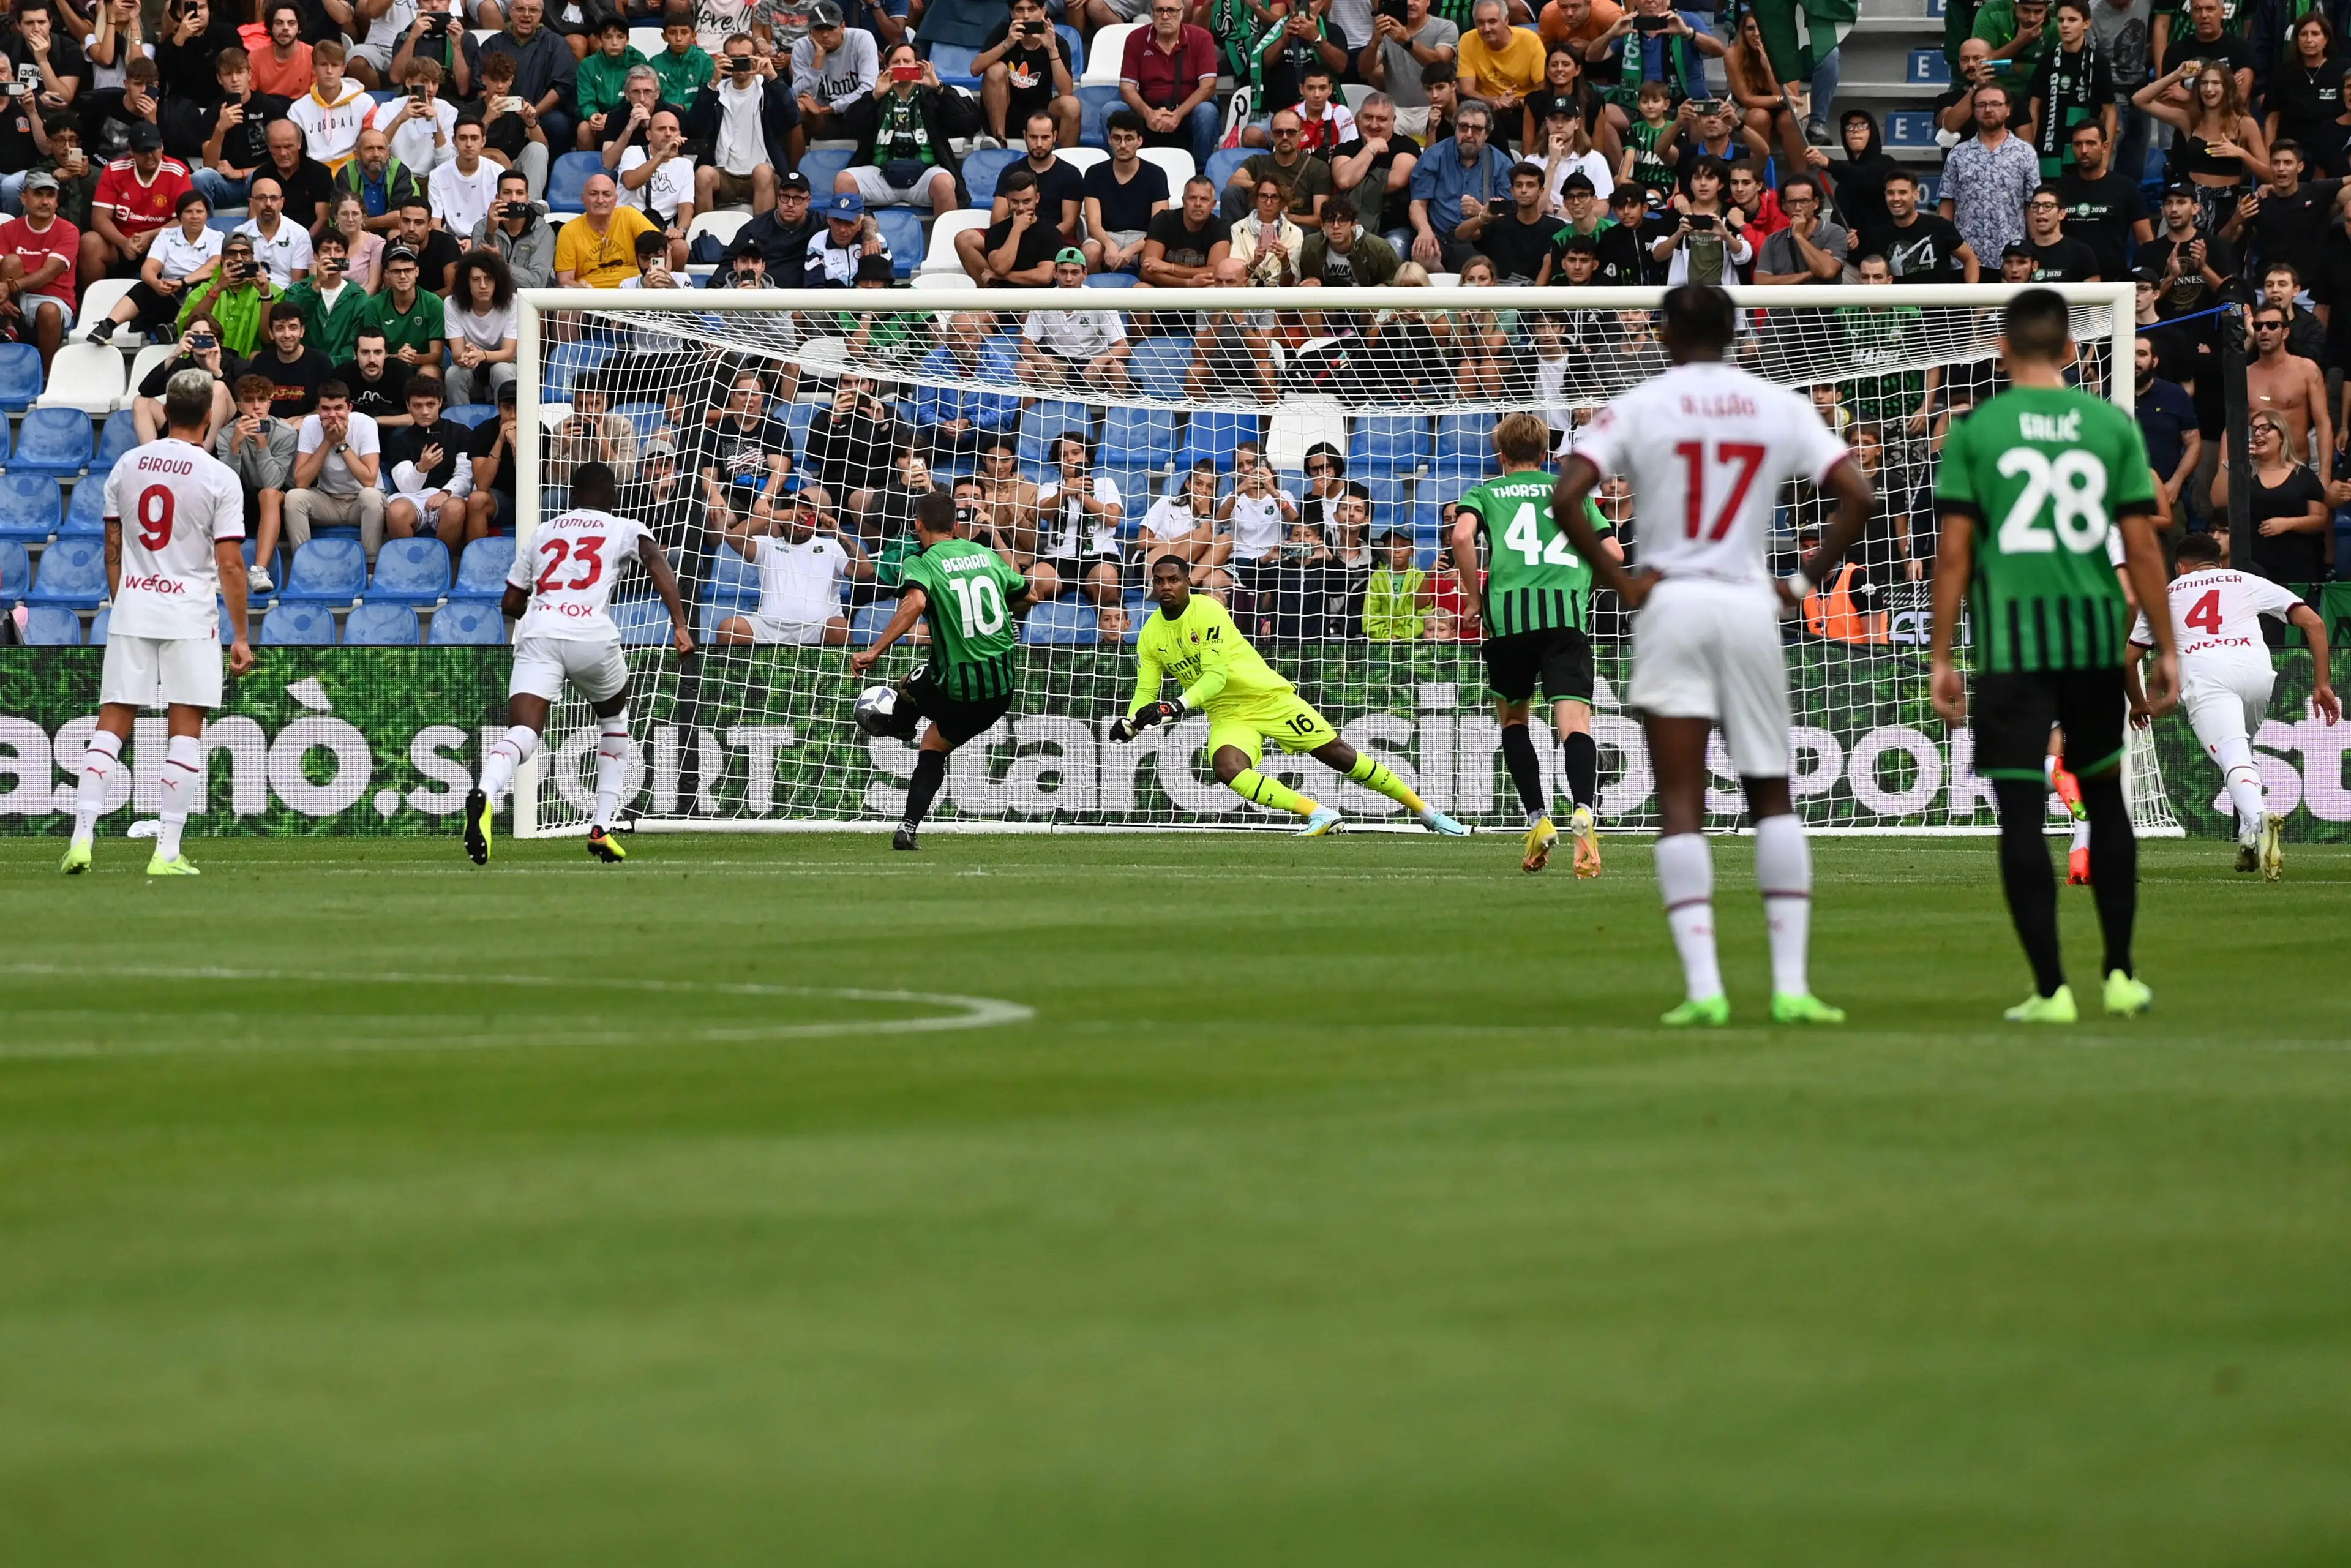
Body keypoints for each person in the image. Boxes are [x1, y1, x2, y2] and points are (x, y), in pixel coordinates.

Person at [1554, 282, 1874, 1027]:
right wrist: (1798, 582)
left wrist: (1623, 582)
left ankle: (1705, 989)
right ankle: (1792, 985)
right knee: (1772, 797)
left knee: (1681, 804)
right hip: (1747, 601)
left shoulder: (1641, 403)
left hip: (1671, 604)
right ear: (1735, 335)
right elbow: (1858, 493)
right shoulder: (1778, 403)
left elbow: (1568, 495)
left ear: (1665, 336)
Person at [1927, 287, 2175, 1024]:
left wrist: (1942, 654)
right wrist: (2164, 644)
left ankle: (2051, 990)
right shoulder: (2110, 426)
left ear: (2001, 348)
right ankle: (2123, 975)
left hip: (2014, 645)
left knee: (2021, 818)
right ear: (2072, 349)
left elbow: (1954, 554)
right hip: (2097, 640)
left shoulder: (1977, 430)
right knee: (2105, 799)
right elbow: (2140, 545)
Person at [1110, 553, 1470, 836]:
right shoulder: (1150, 635)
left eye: (1174, 579)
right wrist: (1131, 722)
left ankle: (1428, 813)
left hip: (1269, 699)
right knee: (1228, 769)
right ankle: (1320, 814)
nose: (1167, 587)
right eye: (1160, 582)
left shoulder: (1208, 610)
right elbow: (1145, 690)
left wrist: (1176, 705)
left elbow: (1216, 676)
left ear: (1189, 582)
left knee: (1340, 756)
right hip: (1228, 715)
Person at [59, 370, 254, 878]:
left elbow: (112, 548)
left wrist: (124, 600)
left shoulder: (128, 464)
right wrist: (241, 633)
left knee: (111, 723)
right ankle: (167, 850)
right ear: (209, 417)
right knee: (185, 730)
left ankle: (82, 838)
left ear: (166, 411)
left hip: (134, 604)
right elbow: (231, 563)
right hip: (190, 610)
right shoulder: (218, 476)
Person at [466, 462, 693, 865]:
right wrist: (679, 624)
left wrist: (548, 615)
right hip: (591, 636)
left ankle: (485, 790)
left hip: (539, 634)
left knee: (523, 731)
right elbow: (656, 562)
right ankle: (601, 828)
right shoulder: (625, 527)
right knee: (614, 721)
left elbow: (511, 603)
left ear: (572, 496)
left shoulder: (543, 532)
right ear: (614, 498)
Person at [1447, 411, 1624, 874]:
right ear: (1546, 453)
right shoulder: (1571, 491)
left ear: (1500, 454)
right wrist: (1580, 581)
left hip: (1509, 621)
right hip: (1564, 619)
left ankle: (1538, 818)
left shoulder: (1484, 492)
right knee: (1575, 724)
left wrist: (1473, 597)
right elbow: (1614, 553)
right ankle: (1584, 809)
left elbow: (1462, 536)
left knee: (1515, 721)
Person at [2127, 528, 2338, 877]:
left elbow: (2129, 659)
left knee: (2233, 757)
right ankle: (2247, 840)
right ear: (2218, 559)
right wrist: (2322, 684)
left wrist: (2138, 704)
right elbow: (2314, 623)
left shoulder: (2163, 596)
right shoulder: (2245, 580)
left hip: (2208, 676)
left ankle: (2259, 820)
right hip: (2256, 672)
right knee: (2242, 754)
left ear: (2181, 566)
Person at [847, 490, 1035, 851]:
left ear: (918, 525)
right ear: (957, 527)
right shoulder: (985, 555)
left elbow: (916, 601)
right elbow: (1031, 597)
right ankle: (907, 826)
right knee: (933, 744)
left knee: (909, 683)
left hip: (958, 686)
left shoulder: (923, 561)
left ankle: (899, 727)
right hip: (1000, 690)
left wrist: (875, 650)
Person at [713, 485, 871, 646]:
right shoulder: (768, 545)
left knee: (840, 628)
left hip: (817, 628)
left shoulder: (831, 546)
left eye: (805, 516)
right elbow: (733, 538)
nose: (798, 521)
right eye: (793, 516)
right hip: (769, 627)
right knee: (729, 629)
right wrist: (772, 515)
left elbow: (865, 571)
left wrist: (837, 532)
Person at [838, 40, 964, 214]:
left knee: (944, 182)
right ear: (886, 69)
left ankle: (945, 241)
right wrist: (874, 97)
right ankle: (853, 240)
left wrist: (940, 88)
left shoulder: (933, 96)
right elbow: (849, 127)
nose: (902, 66)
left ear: (919, 67)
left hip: (925, 176)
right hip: (881, 174)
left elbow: (968, 124)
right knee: (844, 180)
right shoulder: (876, 97)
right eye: (896, 62)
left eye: (907, 61)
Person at [2213, 408, 2331, 587]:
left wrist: (2287, 524)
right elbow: (2219, 503)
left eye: (2265, 428)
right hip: (2253, 564)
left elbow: (2321, 519)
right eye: (2254, 430)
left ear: (2282, 435)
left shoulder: (2304, 475)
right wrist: (2233, 462)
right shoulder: (2244, 475)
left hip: (2296, 564)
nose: (2258, 434)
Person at [285, 377, 388, 563]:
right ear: (318, 410)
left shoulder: (366, 424)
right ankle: (304, 564)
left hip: (361, 502)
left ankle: (372, 565)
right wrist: (327, 441)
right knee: (294, 497)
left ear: (349, 408)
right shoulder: (310, 424)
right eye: (326, 409)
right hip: (328, 501)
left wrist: (341, 443)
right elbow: (301, 481)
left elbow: (369, 480)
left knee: (371, 495)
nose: (333, 415)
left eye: (339, 408)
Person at [80, 123, 192, 291]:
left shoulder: (177, 171)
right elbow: (99, 218)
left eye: (153, 149)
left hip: (162, 243)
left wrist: (151, 236)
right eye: (142, 151)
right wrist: (124, 243)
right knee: (90, 243)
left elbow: (185, 218)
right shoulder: (115, 169)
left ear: (162, 146)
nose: (149, 156)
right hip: (121, 243)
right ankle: (90, 304)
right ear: (131, 151)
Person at [212, 371, 298, 589]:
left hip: (277, 502)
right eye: (250, 401)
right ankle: (216, 570)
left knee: (268, 494)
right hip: (242, 500)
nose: (256, 407)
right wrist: (234, 447)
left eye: (262, 400)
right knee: (212, 496)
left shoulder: (286, 433)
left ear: (270, 403)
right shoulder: (225, 435)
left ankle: (259, 570)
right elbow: (226, 485)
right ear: (240, 406)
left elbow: (273, 483)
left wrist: (262, 445)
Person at [1408, 97, 1515, 269]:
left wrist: (1481, 211)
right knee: (1423, 256)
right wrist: (1424, 230)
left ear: (1487, 134)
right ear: (1455, 129)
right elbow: (1418, 203)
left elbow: (1509, 214)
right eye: (1463, 127)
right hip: (1439, 238)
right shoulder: (1434, 156)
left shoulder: (1502, 164)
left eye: (1477, 129)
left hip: (1481, 242)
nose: (1469, 135)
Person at [693, 31, 790, 217]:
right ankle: (705, 238)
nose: (739, 64)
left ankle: (762, 242)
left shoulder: (768, 89)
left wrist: (773, 77)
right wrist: (713, 82)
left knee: (763, 172)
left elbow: (791, 119)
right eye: (733, 59)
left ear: (756, 57)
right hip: (725, 174)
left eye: (744, 58)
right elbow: (695, 128)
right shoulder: (716, 91)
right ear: (724, 60)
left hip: (762, 175)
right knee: (703, 174)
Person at [1120, 0, 1222, 169]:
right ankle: (1121, 170)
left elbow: (1208, 86)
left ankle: (1200, 174)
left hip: (1188, 112)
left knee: (1207, 112)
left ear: (1182, 13)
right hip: (1149, 111)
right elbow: (1126, 88)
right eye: (1160, 10)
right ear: (1152, 14)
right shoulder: (1135, 39)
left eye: (1172, 11)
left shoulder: (1201, 38)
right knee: (1112, 110)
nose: (1165, 16)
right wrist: (1148, 114)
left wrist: (1177, 115)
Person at [1021, 249, 1133, 392]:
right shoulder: (1043, 299)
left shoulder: (1101, 300)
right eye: (1063, 272)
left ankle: (1117, 414)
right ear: (1055, 273)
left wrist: (1102, 360)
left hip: (1093, 362)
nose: (1068, 279)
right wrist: (1037, 357)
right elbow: (1026, 345)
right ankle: (1028, 414)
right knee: (1024, 367)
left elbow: (1123, 347)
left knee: (1118, 369)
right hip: (1057, 363)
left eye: (1075, 273)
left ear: (1084, 274)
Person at [2054, 117, 2152, 280]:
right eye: (2078, 144)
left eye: (2091, 143)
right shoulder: (2059, 190)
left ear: (2105, 147)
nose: (2084, 150)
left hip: (2114, 282)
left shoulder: (2126, 188)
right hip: (2068, 281)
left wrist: (2144, 279)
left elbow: (2146, 241)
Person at [0, 170, 78, 369]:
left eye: (50, 195)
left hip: (53, 298)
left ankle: (47, 375)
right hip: (13, 299)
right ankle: (8, 326)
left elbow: (48, 273)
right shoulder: (8, 229)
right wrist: (3, 297)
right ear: (24, 198)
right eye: (38, 194)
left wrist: (7, 288)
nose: (45, 202)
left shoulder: (69, 230)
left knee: (49, 311)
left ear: (57, 201)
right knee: (10, 262)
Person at [973, 0, 1079, 147]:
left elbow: (1066, 91)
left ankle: (1065, 161)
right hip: (1006, 113)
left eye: (1032, 9)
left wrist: (1052, 50)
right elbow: (975, 69)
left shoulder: (1057, 42)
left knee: (1071, 105)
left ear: (1043, 11)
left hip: (1042, 116)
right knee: (995, 69)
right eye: (1020, 10)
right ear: (1012, 13)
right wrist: (1006, 44)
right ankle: (1000, 141)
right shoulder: (1003, 33)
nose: (1026, 16)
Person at [479, 0, 579, 153]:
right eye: (520, 9)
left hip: (541, 112)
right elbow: (480, 86)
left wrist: (533, 113)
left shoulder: (556, 43)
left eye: (533, 10)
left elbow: (562, 87)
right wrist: (496, 109)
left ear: (541, 14)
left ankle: (552, 174)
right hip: (500, 111)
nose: (526, 15)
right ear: (510, 11)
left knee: (558, 124)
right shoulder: (493, 44)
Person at [384, 372, 470, 549]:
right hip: (415, 497)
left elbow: (466, 475)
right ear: (408, 406)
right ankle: (410, 567)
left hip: (450, 496)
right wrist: (421, 469)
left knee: (455, 508)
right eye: (417, 406)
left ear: (440, 403)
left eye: (430, 404)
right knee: (396, 511)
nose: (424, 411)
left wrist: (445, 493)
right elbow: (406, 486)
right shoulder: (400, 440)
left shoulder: (461, 432)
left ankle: (442, 565)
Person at [2241, 301, 2332, 465]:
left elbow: (2323, 425)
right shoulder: (2245, 374)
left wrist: (2325, 475)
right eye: (2258, 326)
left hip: (2297, 464)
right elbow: (2231, 429)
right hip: (2255, 468)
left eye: (2272, 326)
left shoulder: (2307, 370)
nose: (2264, 331)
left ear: (2285, 333)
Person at [1081, 111, 1171, 276]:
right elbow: (1093, 224)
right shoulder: (1095, 173)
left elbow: (1159, 227)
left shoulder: (1156, 174)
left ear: (1140, 141)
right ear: (1109, 140)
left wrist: (1131, 249)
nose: (1122, 145)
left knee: (1153, 259)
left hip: (1143, 238)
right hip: (1107, 235)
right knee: (1089, 253)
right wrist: (1108, 244)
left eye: (1129, 139)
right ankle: (1095, 296)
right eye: (1117, 138)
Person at [1331, 94, 1423, 249]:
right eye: (1368, 117)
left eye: (1381, 119)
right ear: (1359, 119)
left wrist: (1357, 180)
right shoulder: (1345, 148)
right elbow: (1344, 181)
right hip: (1351, 225)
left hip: (1394, 228)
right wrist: (1371, 149)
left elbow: (1397, 180)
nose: (1374, 125)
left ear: (1393, 121)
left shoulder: (1407, 146)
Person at [1359, 0, 1460, 138]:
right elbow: (1364, 70)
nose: (1410, 3)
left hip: (1435, 108)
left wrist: (1407, 42)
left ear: (1428, 2)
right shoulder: (1388, 30)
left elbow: (1440, 64)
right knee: (1363, 117)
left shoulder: (1445, 27)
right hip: (1397, 111)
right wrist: (1374, 43)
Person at [1859, 168, 1980, 282]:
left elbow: (1970, 259)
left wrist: (1971, 294)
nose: (1896, 198)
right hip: (1897, 303)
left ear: (1916, 194)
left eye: (1903, 193)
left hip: (1937, 302)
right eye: (1891, 193)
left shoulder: (1940, 227)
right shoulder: (1877, 236)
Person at [441, 247, 517, 407]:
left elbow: (509, 354)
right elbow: (457, 354)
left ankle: (506, 423)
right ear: (466, 282)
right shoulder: (452, 304)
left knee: (501, 370)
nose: (483, 285)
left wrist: (482, 355)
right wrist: (466, 358)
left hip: (508, 366)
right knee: (454, 374)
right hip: (472, 365)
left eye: (489, 279)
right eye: (476, 279)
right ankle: (460, 426)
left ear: (498, 281)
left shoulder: (513, 303)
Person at [280, 230, 369, 366]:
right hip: (302, 366)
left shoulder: (358, 297)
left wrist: (329, 365)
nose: (332, 256)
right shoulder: (297, 290)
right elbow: (290, 320)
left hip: (342, 370)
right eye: (326, 250)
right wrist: (317, 284)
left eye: (338, 250)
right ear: (316, 256)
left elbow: (354, 344)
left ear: (346, 256)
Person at [555, 173, 658, 287]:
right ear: (583, 199)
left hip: (634, 294)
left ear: (616, 200)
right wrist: (586, 293)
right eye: (593, 194)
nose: (600, 200)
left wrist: (654, 279)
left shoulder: (630, 216)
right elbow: (564, 282)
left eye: (607, 195)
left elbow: (663, 249)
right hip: (590, 299)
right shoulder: (568, 231)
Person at [287, 39, 371, 174]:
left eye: (335, 65)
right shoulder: (297, 110)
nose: (329, 71)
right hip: (313, 173)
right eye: (323, 64)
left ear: (343, 70)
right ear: (314, 69)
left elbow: (372, 145)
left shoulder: (365, 103)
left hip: (354, 171)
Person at [368, 54, 459, 178]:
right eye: (424, 82)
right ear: (409, 83)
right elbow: (377, 152)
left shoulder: (448, 111)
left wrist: (436, 125)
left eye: (435, 82)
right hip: (395, 178)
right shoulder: (388, 109)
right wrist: (399, 119)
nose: (431, 89)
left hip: (432, 179)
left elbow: (446, 164)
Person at [963, 168, 1059, 286]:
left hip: (1040, 300)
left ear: (1037, 198)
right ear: (1007, 199)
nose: (1021, 208)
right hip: (1004, 301)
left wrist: (1003, 277)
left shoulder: (1051, 233)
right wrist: (1017, 229)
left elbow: (1044, 276)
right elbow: (1001, 267)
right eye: (1015, 202)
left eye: (1027, 201)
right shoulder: (996, 232)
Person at [1141, 173, 1232, 287]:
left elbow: (1215, 272)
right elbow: (1147, 270)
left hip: (1200, 289)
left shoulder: (1220, 227)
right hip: (1163, 287)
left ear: (1213, 205)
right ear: (1184, 201)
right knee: (1141, 288)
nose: (1198, 204)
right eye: (1192, 198)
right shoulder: (1163, 220)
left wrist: (1170, 268)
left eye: (1204, 199)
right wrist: (1187, 283)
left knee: (1212, 287)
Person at [470, 170, 553, 288]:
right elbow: (480, 277)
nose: (514, 199)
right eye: (507, 193)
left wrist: (500, 265)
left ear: (527, 199)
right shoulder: (482, 227)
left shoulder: (544, 232)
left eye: (520, 193)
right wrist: (490, 232)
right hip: (494, 301)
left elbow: (538, 283)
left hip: (530, 303)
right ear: (498, 197)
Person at [233, 174, 315, 290]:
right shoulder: (240, 233)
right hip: (249, 297)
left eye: (274, 198)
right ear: (251, 202)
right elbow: (236, 278)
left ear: (282, 202)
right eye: (262, 198)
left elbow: (297, 285)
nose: (268, 204)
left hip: (285, 297)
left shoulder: (299, 234)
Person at [429, 114, 501, 242]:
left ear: (483, 141)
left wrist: (476, 242)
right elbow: (435, 225)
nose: (469, 144)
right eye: (463, 138)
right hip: (452, 241)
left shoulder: (498, 172)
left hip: (488, 238)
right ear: (454, 141)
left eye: (474, 138)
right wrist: (455, 244)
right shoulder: (437, 176)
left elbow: (502, 220)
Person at [466, 380, 522, 539]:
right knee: (477, 499)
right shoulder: (483, 431)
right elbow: (482, 485)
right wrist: (500, 441)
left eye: (518, 409)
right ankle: (476, 559)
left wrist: (516, 446)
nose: (512, 415)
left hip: (532, 499)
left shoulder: (539, 430)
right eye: (507, 408)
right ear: (498, 406)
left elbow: (536, 480)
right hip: (499, 499)